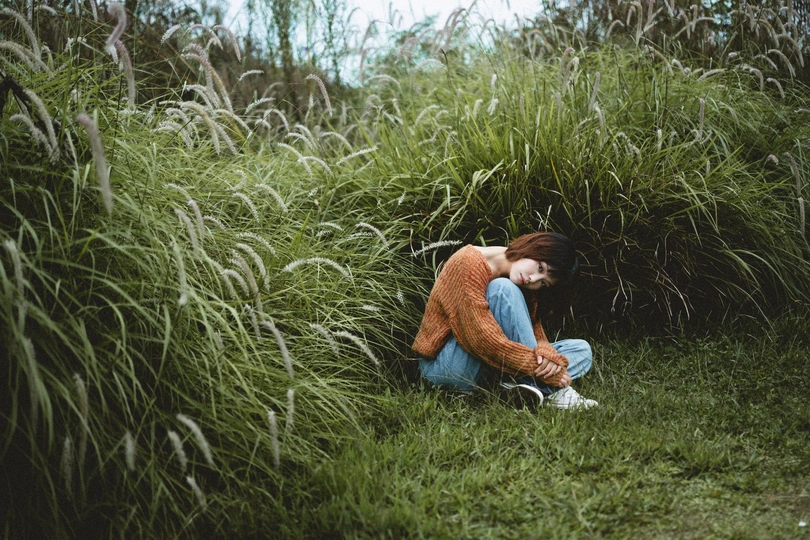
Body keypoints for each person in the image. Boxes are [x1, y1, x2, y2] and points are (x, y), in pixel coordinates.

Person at [412, 232, 597, 409]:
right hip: (445, 366)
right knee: (502, 288)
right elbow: (481, 339)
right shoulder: (468, 263)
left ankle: (518, 387)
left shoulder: (520, 280)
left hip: (484, 362)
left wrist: (546, 351)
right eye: (540, 268)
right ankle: (553, 391)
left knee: (582, 350)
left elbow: (532, 327)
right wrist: (543, 370)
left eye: (543, 283)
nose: (533, 279)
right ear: (534, 247)